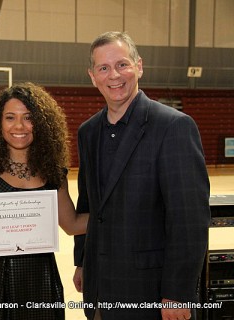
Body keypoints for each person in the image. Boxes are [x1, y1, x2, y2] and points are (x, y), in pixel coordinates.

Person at [73, 31, 211, 320]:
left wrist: (178, 293)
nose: (114, 75)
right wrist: (82, 261)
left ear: (139, 66)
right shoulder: (88, 132)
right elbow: (88, 204)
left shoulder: (173, 127)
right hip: (99, 289)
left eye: (122, 64)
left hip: (152, 292)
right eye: (104, 68)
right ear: (92, 76)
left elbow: (189, 219)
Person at [0, 82, 88, 320]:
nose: (19, 126)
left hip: (42, 280)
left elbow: (71, 224)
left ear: (41, 123)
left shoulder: (53, 174)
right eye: (10, 117)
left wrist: (117, 213)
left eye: (28, 118)